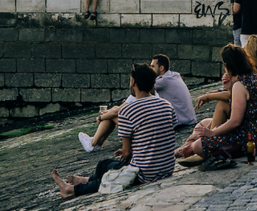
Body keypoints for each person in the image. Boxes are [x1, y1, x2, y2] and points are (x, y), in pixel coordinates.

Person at [53, 63, 176, 198]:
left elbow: (127, 153)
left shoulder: (127, 110)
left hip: (147, 173)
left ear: (133, 81)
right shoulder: (166, 105)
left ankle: (72, 190)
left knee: (108, 170)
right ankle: (86, 180)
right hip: (167, 168)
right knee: (105, 165)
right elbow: (163, 134)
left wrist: (124, 152)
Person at [191, 45, 257, 160]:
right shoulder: (255, 78)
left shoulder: (240, 84)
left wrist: (212, 133)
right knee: (206, 125)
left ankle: (194, 150)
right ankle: (189, 148)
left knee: (198, 146)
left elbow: (235, 121)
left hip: (251, 137)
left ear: (227, 65)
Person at [150, 54, 197, 126]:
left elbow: (142, 88)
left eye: (153, 66)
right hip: (189, 118)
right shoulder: (174, 76)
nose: (150, 69)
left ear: (161, 67)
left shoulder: (164, 80)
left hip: (181, 121)